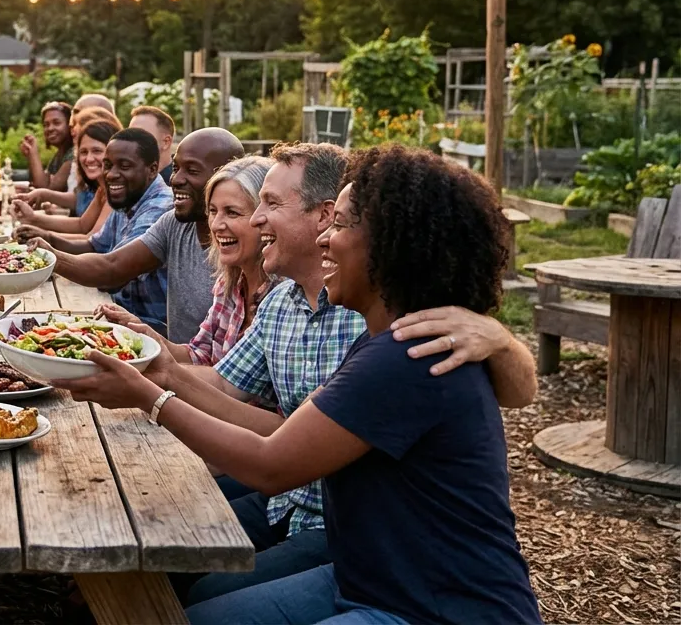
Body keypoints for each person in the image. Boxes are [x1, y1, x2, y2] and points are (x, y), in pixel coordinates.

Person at [52, 145, 542, 625]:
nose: (328, 238)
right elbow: (235, 399)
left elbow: (272, 463)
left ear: (392, 245)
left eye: (343, 225)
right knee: (203, 609)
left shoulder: (407, 357)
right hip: (366, 577)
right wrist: (161, 371)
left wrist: (151, 396)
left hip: (434, 607)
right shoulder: (380, 340)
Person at [30, 128, 246, 344]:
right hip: (178, 358)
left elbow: (220, 366)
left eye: (192, 170)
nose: (176, 180)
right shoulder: (175, 223)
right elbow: (112, 266)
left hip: (182, 358)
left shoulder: (248, 244)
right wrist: (48, 257)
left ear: (228, 176)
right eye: (176, 168)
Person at [102, 156, 278, 369]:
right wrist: (140, 332)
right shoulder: (229, 283)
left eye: (232, 212)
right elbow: (200, 355)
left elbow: (228, 387)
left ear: (265, 219)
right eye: (212, 211)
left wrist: (148, 379)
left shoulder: (282, 297)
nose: (216, 225)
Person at [17, 128, 176, 335]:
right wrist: (47, 238)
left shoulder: (159, 207)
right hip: (115, 312)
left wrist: (51, 257)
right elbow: (94, 245)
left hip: (151, 329)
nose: (111, 174)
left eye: (124, 166)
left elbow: (112, 272)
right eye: (108, 166)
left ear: (152, 169)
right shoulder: (130, 195)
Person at [12, 119, 119, 237]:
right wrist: (33, 218)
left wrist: (44, 235)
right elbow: (81, 225)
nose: (88, 159)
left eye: (97, 151)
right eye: (83, 152)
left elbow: (92, 241)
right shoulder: (102, 189)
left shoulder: (116, 190)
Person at [20, 101, 75, 190]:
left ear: (70, 125)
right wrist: (29, 156)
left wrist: (34, 154)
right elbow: (39, 181)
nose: (50, 128)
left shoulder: (74, 154)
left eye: (56, 123)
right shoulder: (58, 156)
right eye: (46, 125)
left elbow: (47, 189)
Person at [129, 105, 177, 184]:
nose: (132, 141)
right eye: (130, 134)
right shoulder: (127, 181)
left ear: (166, 142)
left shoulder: (177, 184)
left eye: (141, 135)